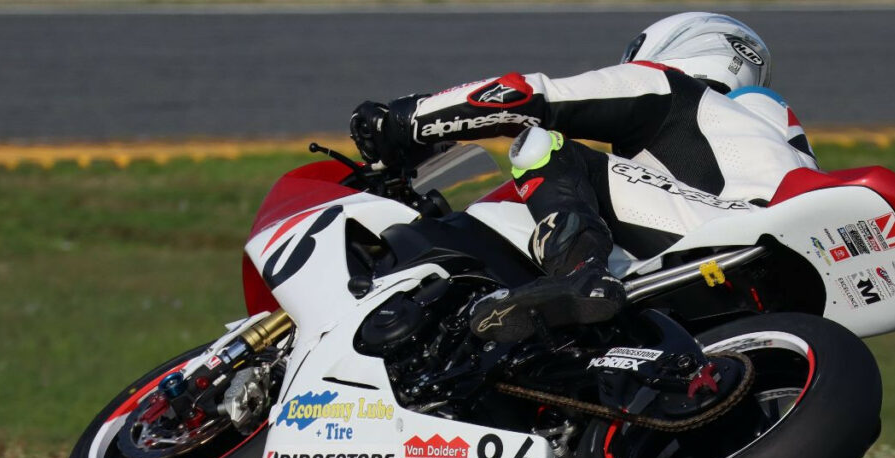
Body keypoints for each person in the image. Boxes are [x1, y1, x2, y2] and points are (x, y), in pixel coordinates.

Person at [350, 12, 818, 343]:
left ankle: (579, 275)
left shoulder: (670, 87)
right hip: (779, 279)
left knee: (541, 144)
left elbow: (525, 96)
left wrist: (405, 121)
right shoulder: (778, 138)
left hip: (724, 232)